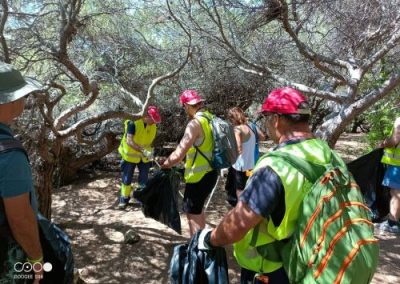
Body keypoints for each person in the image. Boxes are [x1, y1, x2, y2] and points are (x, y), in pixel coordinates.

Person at [200, 87, 350, 283]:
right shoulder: (329, 154)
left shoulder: (275, 166)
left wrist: (210, 238)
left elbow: (238, 225)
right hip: (318, 259)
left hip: (275, 268)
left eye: (266, 118)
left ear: (275, 119)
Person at [0, 63, 43, 283]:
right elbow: (20, 218)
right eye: (18, 96)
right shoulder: (9, 155)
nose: (23, 101)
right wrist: (36, 259)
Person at [161, 90, 218, 237]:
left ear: (186, 105)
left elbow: (179, 154)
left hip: (198, 177)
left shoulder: (195, 124)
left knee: (192, 214)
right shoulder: (211, 119)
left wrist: (166, 164)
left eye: (184, 107)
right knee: (198, 210)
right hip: (211, 172)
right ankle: (201, 243)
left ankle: (196, 248)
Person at [117, 106, 161, 209]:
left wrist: (151, 152)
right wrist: (143, 151)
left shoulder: (153, 125)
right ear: (146, 116)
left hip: (144, 157)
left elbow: (149, 141)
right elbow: (129, 141)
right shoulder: (133, 123)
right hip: (130, 156)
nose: (154, 122)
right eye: (153, 120)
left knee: (144, 179)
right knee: (127, 178)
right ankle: (124, 199)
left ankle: (142, 199)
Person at [226, 107, 266, 204]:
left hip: (240, 166)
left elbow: (239, 148)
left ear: (232, 118)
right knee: (249, 186)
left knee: (240, 189)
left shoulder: (237, 129)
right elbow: (263, 137)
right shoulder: (252, 126)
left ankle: (241, 210)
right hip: (252, 164)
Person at [378, 116, 400, 234]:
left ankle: (393, 223)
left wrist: (383, 144)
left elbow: (395, 140)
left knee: (396, 193)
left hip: (398, 165)